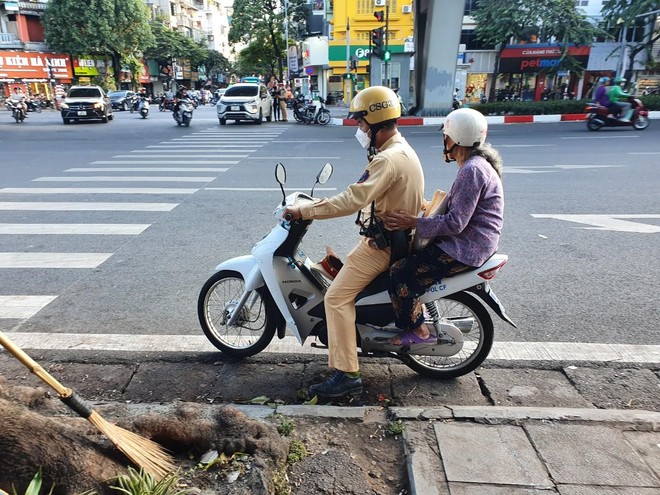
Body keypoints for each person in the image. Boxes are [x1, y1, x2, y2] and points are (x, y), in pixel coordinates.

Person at [283, 86, 425, 399]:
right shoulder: (402, 150)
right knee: (337, 277)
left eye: (361, 124)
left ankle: (347, 374)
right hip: (390, 240)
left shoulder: (387, 160)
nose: (360, 130)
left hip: (382, 247)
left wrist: (304, 210)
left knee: (334, 298)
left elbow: (352, 199)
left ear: (375, 122)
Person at [381, 108, 504, 345]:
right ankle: (418, 313)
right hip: (473, 242)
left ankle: (418, 332)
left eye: (445, 136)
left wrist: (413, 222)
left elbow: (456, 223)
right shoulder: (476, 165)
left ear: (456, 138)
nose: (444, 141)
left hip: (466, 248)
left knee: (400, 272)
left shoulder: (472, 170)